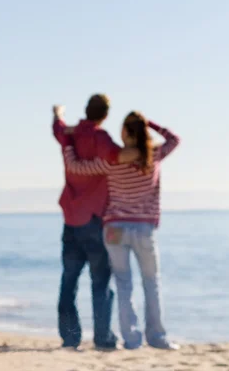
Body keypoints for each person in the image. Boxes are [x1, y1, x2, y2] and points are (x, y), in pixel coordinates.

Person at [56, 111, 180, 350]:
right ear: (143, 131)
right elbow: (174, 139)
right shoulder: (153, 155)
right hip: (143, 229)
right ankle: (157, 337)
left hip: (114, 229)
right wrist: (150, 123)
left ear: (124, 132)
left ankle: (131, 340)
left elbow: (75, 167)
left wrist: (68, 143)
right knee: (151, 282)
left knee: (124, 283)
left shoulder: (111, 160)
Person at [52, 95, 139, 350]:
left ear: (87, 110)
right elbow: (120, 156)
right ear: (105, 115)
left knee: (69, 280)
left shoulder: (70, 136)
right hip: (95, 221)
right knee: (100, 282)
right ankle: (102, 337)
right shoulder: (102, 139)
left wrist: (58, 113)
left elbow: (57, 128)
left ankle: (70, 337)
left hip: (71, 220)